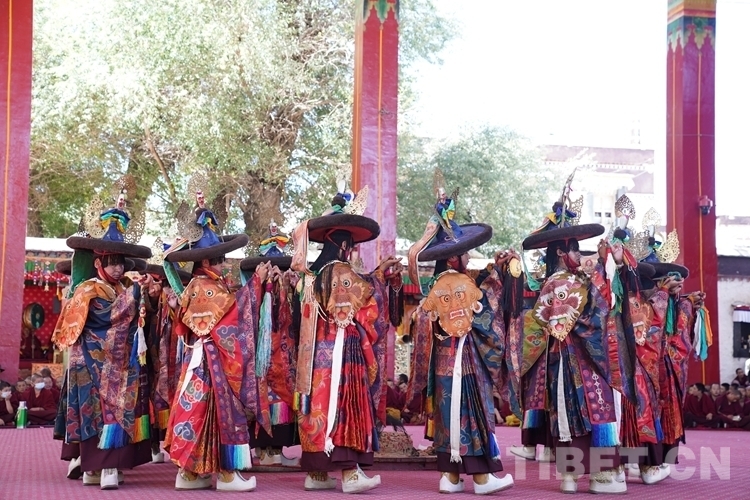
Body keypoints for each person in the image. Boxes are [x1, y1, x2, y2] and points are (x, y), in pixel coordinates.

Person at [288, 186, 401, 493]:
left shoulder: (311, 275)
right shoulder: (341, 271)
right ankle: (351, 473)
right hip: (343, 350)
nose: (351, 253)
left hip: (314, 354)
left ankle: (317, 474)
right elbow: (366, 304)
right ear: (343, 245)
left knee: (317, 404)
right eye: (350, 247)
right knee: (346, 402)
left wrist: (375, 275)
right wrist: (381, 279)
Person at [406, 181, 516, 494]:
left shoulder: (435, 285)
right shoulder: (461, 284)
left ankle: (449, 477)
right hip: (465, 360)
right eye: (464, 254)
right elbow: (484, 314)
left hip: (442, 363)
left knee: (446, 411)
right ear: (454, 258)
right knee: (470, 409)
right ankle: (481, 478)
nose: (468, 257)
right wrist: (498, 277)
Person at [520, 185, 627, 494]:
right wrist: (605, 268)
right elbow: (595, 313)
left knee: (566, 412)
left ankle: (569, 476)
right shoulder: (569, 283)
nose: (580, 256)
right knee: (594, 411)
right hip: (582, 359)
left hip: (560, 360)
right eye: (576, 250)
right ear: (561, 253)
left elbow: (548, 319)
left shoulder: (553, 283)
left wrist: (605, 266)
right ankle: (601, 477)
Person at [52, 181, 157, 490]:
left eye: (120, 263)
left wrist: (146, 297)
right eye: (111, 263)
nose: (117, 268)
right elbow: (104, 318)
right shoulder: (88, 289)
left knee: (116, 411)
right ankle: (93, 467)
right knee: (95, 413)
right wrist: (135, 295)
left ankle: (105, 467)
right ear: (98, 263)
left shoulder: (123, 287)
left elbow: (135, 319)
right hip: (91, 364)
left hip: (118, 363)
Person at [162, 185, 254, 492]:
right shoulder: (206, 286)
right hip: (212, 360)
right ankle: (227, 474)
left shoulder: (198, 285)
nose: (223, 264)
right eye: (218, 259)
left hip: (202, 359)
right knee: (217, 411)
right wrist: (255, 290)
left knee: (197, 411)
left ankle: (191, 474)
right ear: (205, 262)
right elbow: (230, 317)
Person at [237, 223, 301, 468]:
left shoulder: (288, 287)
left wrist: (289, 286)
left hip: (284, 352)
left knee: (283, 402)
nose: (277, 273)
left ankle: (276, 448)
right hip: (262, 355)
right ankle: (264, 449)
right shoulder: (254, 290)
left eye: (281, 269)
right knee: (263, 397)